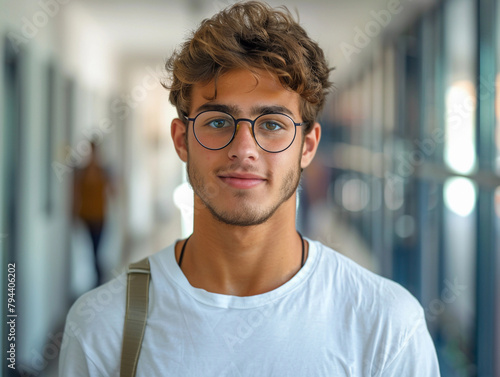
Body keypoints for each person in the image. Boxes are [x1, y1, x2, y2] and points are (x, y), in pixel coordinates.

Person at [59, 2, 441, 376]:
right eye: (217, 121)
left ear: (308, 146)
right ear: (181, 140)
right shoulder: (103, 327)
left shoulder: (386, 327)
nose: (244, 149)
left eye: (272, 124)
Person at [72, 140, 112, 286]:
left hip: (100, 217)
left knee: (97, 251)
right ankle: (97, 279)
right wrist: (73, 215)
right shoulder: (81, 173)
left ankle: (99, 280)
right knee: (89, 252)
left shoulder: (104, 171)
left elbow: (114, 193)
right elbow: (75, 195)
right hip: (86, 216)